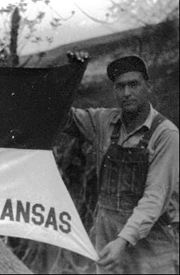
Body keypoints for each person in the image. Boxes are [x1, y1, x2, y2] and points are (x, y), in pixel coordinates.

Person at [64, 52, 179, 274]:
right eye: (120, 86)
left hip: (152, 252)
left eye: (133, 85)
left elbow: (155, 198)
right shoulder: (103, 121)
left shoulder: (166, 134)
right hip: (109, 247)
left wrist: (123, 240)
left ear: (148, 86)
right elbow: (60, 117)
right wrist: (72, 74)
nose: (126, 93)